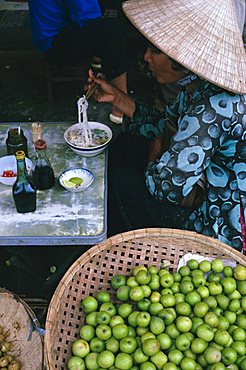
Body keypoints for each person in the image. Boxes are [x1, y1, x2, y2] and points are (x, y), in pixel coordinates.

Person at [87, 0, 246, 253]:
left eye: (155, 51)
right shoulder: (197, 87)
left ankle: (128, 253)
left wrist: (156, 152)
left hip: (222, 221)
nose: (146, 58)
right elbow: (163, 123)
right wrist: (117, 97)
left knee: (123, 182)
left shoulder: (213, 106)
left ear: (183, 60)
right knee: (125, 148)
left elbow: (167, 187)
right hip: (202, 187)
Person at [28, 0, 131, 123]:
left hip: (47, 40)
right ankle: (120, 105)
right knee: (113, 31)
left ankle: (99, 62)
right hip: (55, 46)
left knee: (104, 25)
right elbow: (89, 17)